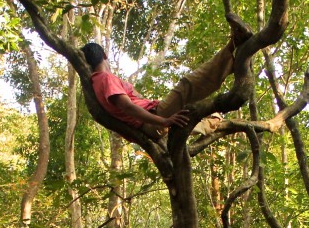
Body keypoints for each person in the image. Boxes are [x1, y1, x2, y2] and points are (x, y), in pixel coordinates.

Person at [81, 19, 251, 139]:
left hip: (151, 122)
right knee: (186, 87)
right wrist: (164, 121)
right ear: (104, 55)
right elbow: (127, 107)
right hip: (153, 119)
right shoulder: (104, 78)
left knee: (209, 115)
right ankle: (233, 46)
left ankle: (231, 56)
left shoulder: (96, 82)